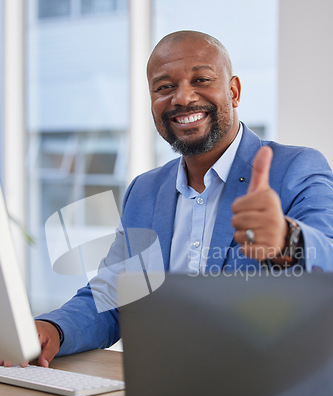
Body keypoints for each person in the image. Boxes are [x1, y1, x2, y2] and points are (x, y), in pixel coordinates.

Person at [3, 30, 333, 368]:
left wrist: (286, 240)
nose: (182, 98)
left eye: (201, 79)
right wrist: (53, 329)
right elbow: (115, 296)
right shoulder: (144, 191)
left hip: (267, 388)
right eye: (164, 87)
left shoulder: (297, 168)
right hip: (162, 389)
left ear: (233, 91)